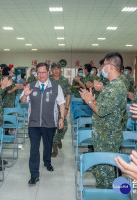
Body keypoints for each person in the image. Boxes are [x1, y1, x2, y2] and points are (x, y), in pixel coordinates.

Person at [79, 52, 128, 189]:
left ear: (111, 66)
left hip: (107, 137)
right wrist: (93, 101)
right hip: (104, 135)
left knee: (105, 173)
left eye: (104, 65)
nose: (101, 69)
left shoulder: (116, 87)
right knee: (101, 170)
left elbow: (100, 111)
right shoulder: (112, 86)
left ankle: (107, 195)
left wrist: (89, 101)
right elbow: (104, 107)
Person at [20, 62, 65, 185]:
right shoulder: (31, 86)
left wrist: (62, 118)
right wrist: (25, 94)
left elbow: (61, 103)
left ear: (48, 73)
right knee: (34, 149)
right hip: (34, 124)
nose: (41, 75)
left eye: (43, 72)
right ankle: (34, 174)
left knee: (48, 144)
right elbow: (22, 101)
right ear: (36, 74)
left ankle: (47, 161)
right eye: (39, 72)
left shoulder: (56, 87)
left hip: (50, 122)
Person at [49, 62, 71, 157]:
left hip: (61, 107)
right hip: (50, 108)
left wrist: (66, 108)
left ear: (60, 70)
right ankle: (54, 149)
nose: (56, 70)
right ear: (51, 70)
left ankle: (58, 139)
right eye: (54, 68)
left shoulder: (64, 81)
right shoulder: (48, 80)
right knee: (52, 127)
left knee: (64, 127)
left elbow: (68, 94)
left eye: (58, 68)